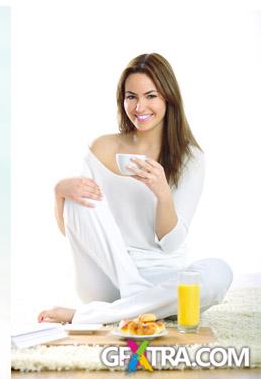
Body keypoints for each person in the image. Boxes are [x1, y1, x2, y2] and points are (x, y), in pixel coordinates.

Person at [38, 52, 232, 325]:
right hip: (106, 278)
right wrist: (59, 192)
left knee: (219, 272)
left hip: (162, 277)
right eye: (131, 97)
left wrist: (162, 193)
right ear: (122, 100)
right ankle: (142, 305)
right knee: (76, 195)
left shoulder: (191, 158)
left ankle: (103, 314)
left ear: (168, 97)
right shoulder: (102, 147)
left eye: (151, 96)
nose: (140, 107)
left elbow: (172, 243)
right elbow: (77, 232)